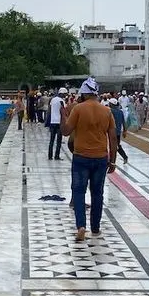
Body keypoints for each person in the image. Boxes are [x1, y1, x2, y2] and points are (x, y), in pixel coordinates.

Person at [60, 77, 116, 242]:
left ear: (84, 94)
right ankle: (96, 228)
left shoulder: (78, 109)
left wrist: (62, 116)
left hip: (81, 157)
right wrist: (113, 160)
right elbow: (113, 138)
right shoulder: (106, 111)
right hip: (100, 158)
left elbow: (65, 131)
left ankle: (81, 226)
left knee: (78, 192)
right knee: (97, 193)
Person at [48, 87, 67, 160]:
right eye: (65, 94)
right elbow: (63, 112)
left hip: (52, 122)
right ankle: (56, 156)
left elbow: (49, 110)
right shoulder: (62, 101)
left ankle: (50, 156)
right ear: (62, 94)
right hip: (59, 122)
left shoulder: (52, 99)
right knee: (58, 141)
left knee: (51, 140)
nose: (65, 96)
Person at [108, 98, 129, 164]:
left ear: (111, 104)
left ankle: (112, 160)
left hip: (111, 132)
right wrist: (125, 131)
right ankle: (124, 157)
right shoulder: (120, 111)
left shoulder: (110, 111)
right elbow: (124, 122)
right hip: (118, 132)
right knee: (116, 146)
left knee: (113, 146)